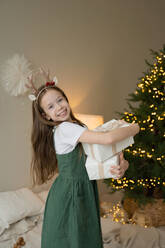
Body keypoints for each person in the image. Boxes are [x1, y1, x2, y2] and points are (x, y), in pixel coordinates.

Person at [27, 69, 139, 248]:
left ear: (66, 99)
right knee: (73, 238)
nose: (59, 107)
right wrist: (134, 128)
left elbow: (100, 156)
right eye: (51, 107)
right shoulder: (65, 129)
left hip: (81, 188)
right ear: (46, 116)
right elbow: (108, 139)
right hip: (70, 193)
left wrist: (121, 164)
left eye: (60, 100)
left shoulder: (77, 126)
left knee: (84, 236)